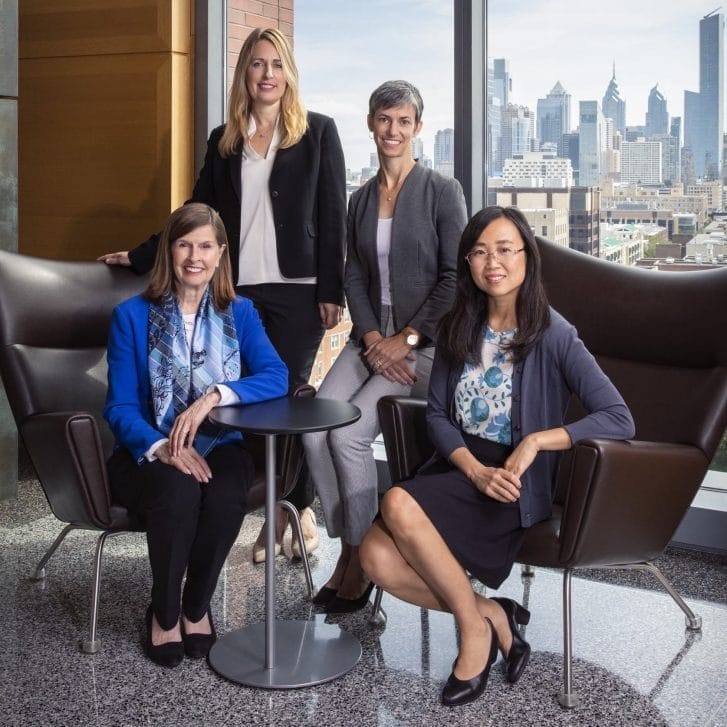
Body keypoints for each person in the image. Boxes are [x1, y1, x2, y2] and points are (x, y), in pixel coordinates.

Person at [359, 206, 635, 706]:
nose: (493, 262)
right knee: (375, 557)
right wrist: (473, 469)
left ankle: (473, 637)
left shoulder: (554, 333)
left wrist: (534, 442)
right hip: (463, 466)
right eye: (481, 251)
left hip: (514, 479)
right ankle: (488, 614)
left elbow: (618, 417)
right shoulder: (457, 325)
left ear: (527, 256)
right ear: (467, 263)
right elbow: (440, 416)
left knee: (397, 504)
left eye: (506, 248)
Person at [99, 27, 347, 563]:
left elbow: (333, 215)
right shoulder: (224, 140)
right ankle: (285, 509)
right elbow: (195, 209)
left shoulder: (318, 132)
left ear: (289, 74)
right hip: (237, 292)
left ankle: (291, 510)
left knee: (284, 400)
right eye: (257, 64)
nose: (267, 74)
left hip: (300, 291)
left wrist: (333, 288)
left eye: (276, 64)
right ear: (245, 74)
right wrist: (143, 255)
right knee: (245, 400)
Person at [302, 80, 468, 614]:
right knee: (313, 430)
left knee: (349, 433)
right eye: (383, 120)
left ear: (418, 128)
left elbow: (454, 279)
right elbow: (352, 274)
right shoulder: (361, 198)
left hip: (424, 347)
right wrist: (375, 339)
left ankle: (357, 562)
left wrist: (405, 341)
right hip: (370, 340)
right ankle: (353, 542)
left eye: (403, 121)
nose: (392, 131)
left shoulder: (444, 192)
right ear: (371, 124)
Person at [104, 203, 288, 667]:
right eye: (184, 244)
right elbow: (120, 406)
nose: (194, 256)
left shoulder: (240, 313)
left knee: (226, 494)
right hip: (146, 447)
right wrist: (163, 446)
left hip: (219, 443)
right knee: (177, 490)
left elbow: (276, 376)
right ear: (169, 250)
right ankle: (165, 612)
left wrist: (214, 396)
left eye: (205, 245)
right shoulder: (130, 316)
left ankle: (196, 605)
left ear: (221, 253)